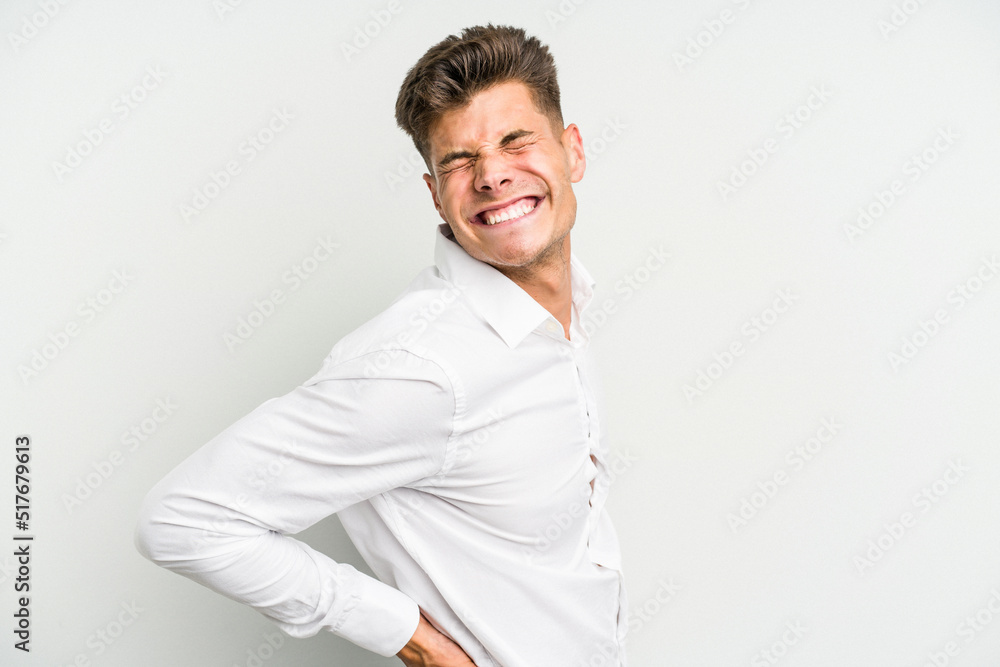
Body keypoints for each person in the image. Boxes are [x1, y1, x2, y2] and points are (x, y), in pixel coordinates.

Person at [135, 24, 627, 666]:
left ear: (573, 152)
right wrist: (413, 640)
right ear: (436, 195)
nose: (492, 175)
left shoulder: (561, 318)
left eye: (516, 141)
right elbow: (180, 519)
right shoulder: (423, 368)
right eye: (459, 161)